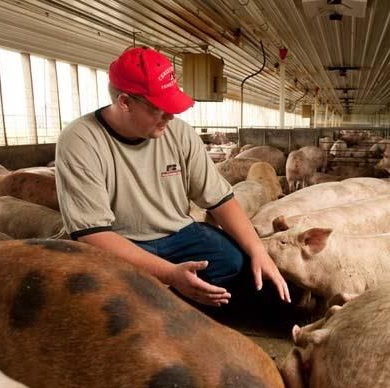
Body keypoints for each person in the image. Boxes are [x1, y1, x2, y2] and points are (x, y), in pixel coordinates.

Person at [55, 46, 290, 307]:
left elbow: (220, 200)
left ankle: (172, 296)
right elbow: (93, 235)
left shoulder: (179, 133)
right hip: (120, 240)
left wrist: (258, 250)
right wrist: (170, 275)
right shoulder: (80, 140)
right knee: (102, 292)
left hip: (179, 234)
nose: (171, 116)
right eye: (160, 107)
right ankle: (168, 300)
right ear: (125, 103)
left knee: (234, 260)